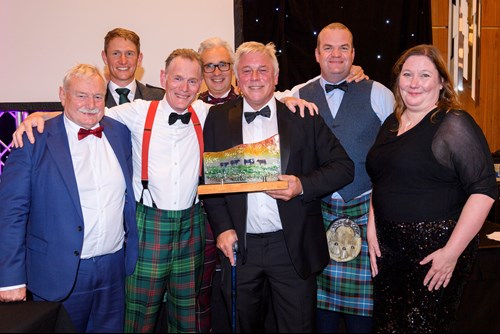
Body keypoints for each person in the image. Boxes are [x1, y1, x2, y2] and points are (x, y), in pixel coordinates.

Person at [12, 48, 321, 333]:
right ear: (162, 78)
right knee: (139, 315)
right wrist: (41, 117)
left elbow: (257, 97)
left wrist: (288, 98)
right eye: (177, 78)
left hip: (191, 225)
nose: (184, 87)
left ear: (199, 85)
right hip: (149, 226)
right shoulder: (137, 112)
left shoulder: (205, 112)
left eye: (191, 81)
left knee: (188, 315)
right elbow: (88, 114)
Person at [195, 36, 369, 333]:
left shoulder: (302, 115)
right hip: (241, 246)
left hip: (291, 246)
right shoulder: (217, 118)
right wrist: (223, 228)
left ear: (275, 77)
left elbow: (344, 167)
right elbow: (212, 181)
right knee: (243, 326)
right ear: (237, 78)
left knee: (297, 327)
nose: (254, 78)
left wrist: (302, 185)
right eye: (247, 71)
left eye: (263, 70)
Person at [366, 44, 498, 333]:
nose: (414, 83)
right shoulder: (391, 123)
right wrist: (372, 224)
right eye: (407, 74)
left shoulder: (453, 124)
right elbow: (382, 178)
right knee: (389, 326)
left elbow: (484, 190)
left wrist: (451, 253)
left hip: (434, 254)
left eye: (425, 75)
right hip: (389, 251)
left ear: (441, 82)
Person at [0, 64, 138, 333]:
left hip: (113, 268)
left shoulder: (119, 133)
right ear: (62, 95)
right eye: (81, 96)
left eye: (98, 97)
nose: (90, 104)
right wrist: (9, 278)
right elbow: (11, 213)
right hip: (58, 271)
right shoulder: (32, 139)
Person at [292, 22, 395, 333]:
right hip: (317, 215)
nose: (335, 54)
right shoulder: (297, 94)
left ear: (354, 53)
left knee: (363, 319)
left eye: (343, 48)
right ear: (316, 54)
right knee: (319, 316)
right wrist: (284, 100)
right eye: (328, 47)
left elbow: (395, 154)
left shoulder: (380, 94)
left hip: (366, 213)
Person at [102, 27, 164, 107]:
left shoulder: (160, 99)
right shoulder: (92, 100)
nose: (123, 61)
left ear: (139, 59)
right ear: (105, 58)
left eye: (129, 54)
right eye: (116, 54)